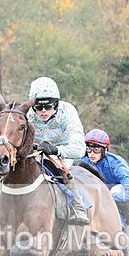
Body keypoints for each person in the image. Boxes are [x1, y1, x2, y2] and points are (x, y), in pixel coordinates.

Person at [26, 76, 88, 225]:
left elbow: (79, 149)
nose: (43, 111)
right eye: (38, 107)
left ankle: (78, 208)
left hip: (62, 152)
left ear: (57, 104)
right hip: (36, 151)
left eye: (48, 106)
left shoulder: (68, 112)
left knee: (58, 168)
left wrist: (55, 149)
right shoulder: (28, 114)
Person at [80, 128, 129, 246]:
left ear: (104, 150)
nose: (91, 153)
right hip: (104, 192)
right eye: (88, 149)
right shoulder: (84, 161)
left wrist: (108, 198)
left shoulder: (116, 164)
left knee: (115, 191)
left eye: (96, 149)